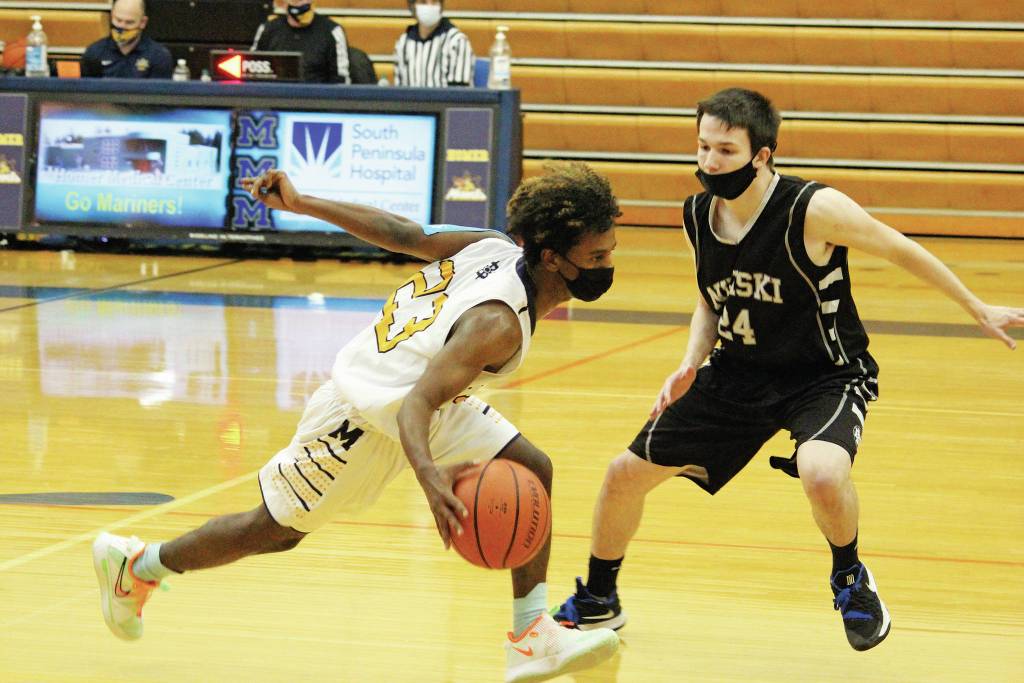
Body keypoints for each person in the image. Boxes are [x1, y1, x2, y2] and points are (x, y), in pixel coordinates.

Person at [92, 162, 622, 682]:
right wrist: (429, 478)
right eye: (596, 256)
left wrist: (301, 203)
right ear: (552, 258)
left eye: (609, 251)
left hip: (427, 396)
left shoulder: (491, 244)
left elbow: (402, 233)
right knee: (275, 531)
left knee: (532, 466)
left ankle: (531, 635)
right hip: (363, 412)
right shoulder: (496, 323)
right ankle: (138, 566)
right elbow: (415, 404)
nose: (608, 263)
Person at [552, 87, 1024, 652]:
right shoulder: (698, 214)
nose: (708, 162)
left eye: (725, 150)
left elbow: (901, 249)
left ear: (763, 154)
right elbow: (712, 297)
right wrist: (688, 363)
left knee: (821, 472)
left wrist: (977, 306)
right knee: (622, 474)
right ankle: (600, 598)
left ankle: (850, 577)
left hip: (823, 375)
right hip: (737, 373)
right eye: (702, 147)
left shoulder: (813, 209)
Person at [251, 0, 350, 84]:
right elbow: (252, 73)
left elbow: (340, 81)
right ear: (284, 3)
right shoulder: (267, 29)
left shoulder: (332, 31)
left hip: (316, 101)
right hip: (274, 99)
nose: (299, 2)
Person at [80, 0, 173, 79]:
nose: (122, 26)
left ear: (143, 22)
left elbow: (160, 97)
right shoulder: (94, 53)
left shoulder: (159, 56)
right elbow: (88, 96)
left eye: (129, 22)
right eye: (118, 20)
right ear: (112, 17)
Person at [393, 0, 474, 87]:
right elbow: (399, 91)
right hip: (409, 100)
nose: (429, 6)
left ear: (441, 5)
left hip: (445, 100)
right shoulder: (403, 43)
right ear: (413, 5)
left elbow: (460, 95)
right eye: (423, 2)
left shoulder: (457, 42)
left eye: (434, 1)